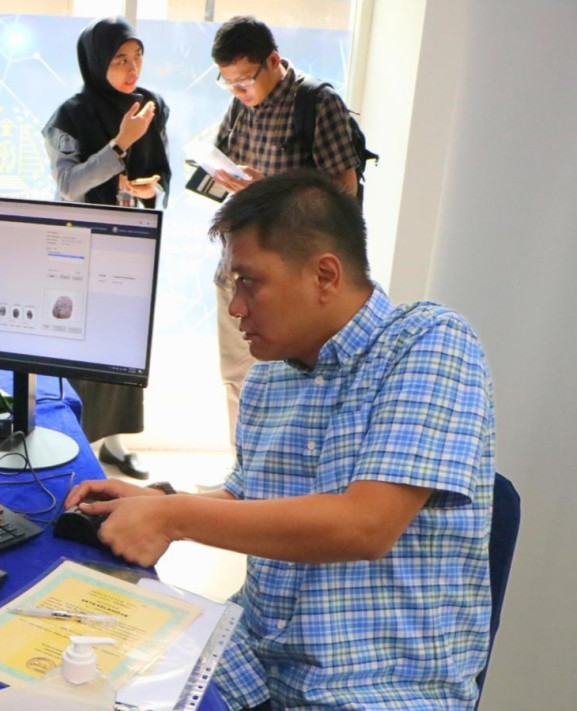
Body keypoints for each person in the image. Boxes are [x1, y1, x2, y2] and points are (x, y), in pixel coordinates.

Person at [65, 171, 494, 709]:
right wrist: (164, 503)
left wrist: (175, 519)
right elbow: (250, 498)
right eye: (231, 286)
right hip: (255, 659)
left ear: (326, 276)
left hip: (375, 687)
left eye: (250, 283)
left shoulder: (429, 343)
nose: (236, 309)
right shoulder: (270, 376)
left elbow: (365, 526)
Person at [208, 16, 361, 445]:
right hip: (237, 264)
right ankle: (239, 475)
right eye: (229, 84)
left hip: (289, 274)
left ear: (273, 61)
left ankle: (273, 486)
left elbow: (343, 196)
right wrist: (223, 175)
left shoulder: (316, 103)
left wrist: (271, 191)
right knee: (238, 378)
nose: (238, 92)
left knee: (285, 385)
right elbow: (223, 158)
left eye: (243, 81)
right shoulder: (243, 104)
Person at [41, 16, 172, 479]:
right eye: (120, 59)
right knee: (85, 349)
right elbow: (69, 184)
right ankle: (83, 443)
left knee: (124, 347)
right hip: (80, 246)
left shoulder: (151, 106)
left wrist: (149, 191)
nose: (132, 68)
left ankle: (114, 444)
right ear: (97, 62)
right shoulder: (69, 115)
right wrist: (120, 145)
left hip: (130, 244)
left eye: (137, 58)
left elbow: (161, 177)